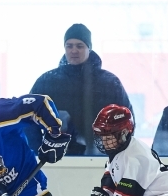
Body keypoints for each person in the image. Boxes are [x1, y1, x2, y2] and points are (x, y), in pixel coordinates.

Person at [30, 23, 133, 156]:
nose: (74, 50)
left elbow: (127, 120)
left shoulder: (109, 83)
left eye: (79, 46)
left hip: (99, 158)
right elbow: (29, 119)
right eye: (69, 46)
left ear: (89, 48)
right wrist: (39, 152)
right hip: (58, 159)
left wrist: (117, 153)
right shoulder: (47, 81)